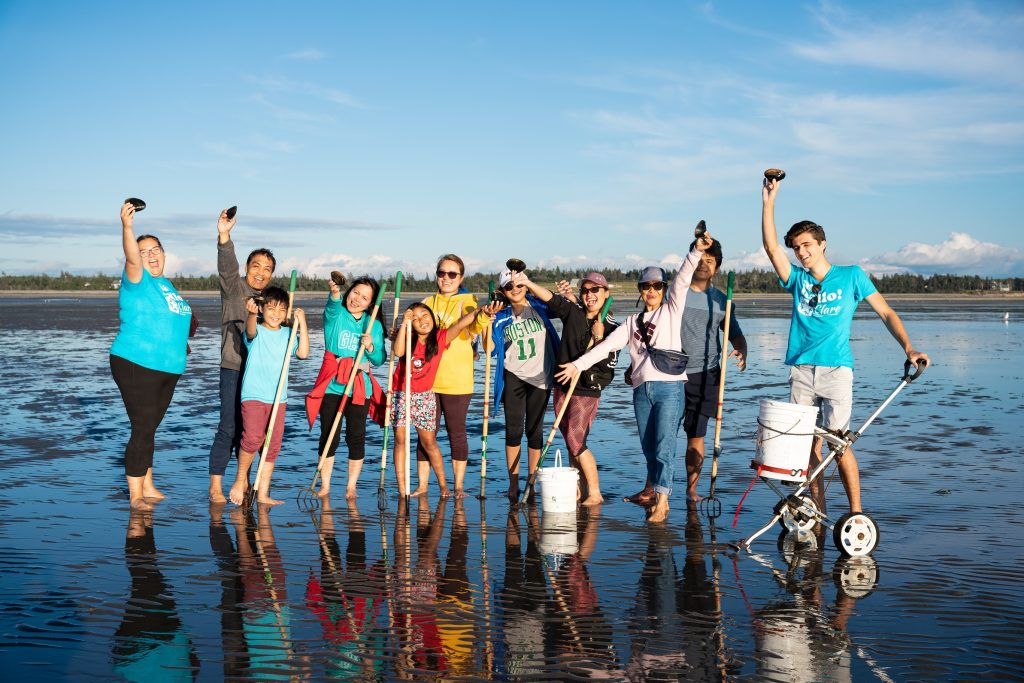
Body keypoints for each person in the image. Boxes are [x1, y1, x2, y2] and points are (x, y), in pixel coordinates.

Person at [761, 176, 930, 513]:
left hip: (837, 369)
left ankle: (856, 514)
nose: (801, 252)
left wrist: (908, 348)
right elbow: (770, 248)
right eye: (796, 247)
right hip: (801, 369)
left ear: (823, 244)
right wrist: (768, 200)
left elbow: (885, 312)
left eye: (807, 244)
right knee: (808, 446)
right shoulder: (797, 279)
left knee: (841, 443)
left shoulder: (852, 275)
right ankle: (817, 508)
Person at [557, 231, 713, 523]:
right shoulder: (631, 322)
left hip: (670, 388)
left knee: (665, 444)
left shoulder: (671, 309)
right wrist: (577, 365)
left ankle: (663, 502)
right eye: (646, 286)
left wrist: (695, 250)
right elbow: (605, 347)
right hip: (642, 391)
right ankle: (655, 491)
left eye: (657, 285)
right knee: (648, 446)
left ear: (663, 289)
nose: (651, 290)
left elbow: (682, 279)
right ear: (640, 290)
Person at [110, 201, 193, 511]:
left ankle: (148, 483)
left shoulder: (166, 285)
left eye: (155, 249)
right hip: (135, 362)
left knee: (149, 427)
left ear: (165, 253)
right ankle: (135, 495)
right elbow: (132, 257)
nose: (150, 255)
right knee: (143, 427)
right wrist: (127, 227)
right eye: (144, 252)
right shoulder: (137, 280)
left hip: (167, 367)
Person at [517, 272, 619, 505]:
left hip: (587, 389)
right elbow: (551, 300)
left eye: (596, 290)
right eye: (585, 290)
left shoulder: (613, 327)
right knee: (571, 442)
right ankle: (578, 491)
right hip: (562, 385)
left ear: (606, 294)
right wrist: (529, 283)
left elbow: (608, 365)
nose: (590, 295)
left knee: (575, 440)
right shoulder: (574, 312)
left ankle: (595, 492)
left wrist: (601, 339)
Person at [393, 301, 502, 498]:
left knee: (429, 441)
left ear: (432, 318)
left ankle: (444, 486)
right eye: (415, 318)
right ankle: (403, 490)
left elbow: (461, 324)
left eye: (424, 315)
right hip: (401, 394)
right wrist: (404, 325)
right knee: (400, 440)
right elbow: (399, 352)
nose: (421, 320)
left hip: (424, 396)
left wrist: (480, 310)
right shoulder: (408, 338)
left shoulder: (440, 338)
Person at [209, 208, 276, 503]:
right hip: (234, 367)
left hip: (260, 374)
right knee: (228, 426)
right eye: (256, 266)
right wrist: (224, 234)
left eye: (267, 269)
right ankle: (215, 488)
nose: (261, 272)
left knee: (252, 431)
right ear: (247, 267)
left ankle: (245, 480)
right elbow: (226, 266)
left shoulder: (272, 300)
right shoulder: (234, 288)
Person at [679, 238, 747, 504]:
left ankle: (691, 490)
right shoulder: (677, 291)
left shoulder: (722, 301)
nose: (705, 264)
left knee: (696, 435)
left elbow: (736, 335)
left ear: (717, 267)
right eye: (700, 258)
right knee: (660, 433)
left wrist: (742, 350)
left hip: (706, 375)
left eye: (711, 261)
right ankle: (653, 486)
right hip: (671, 373)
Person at [306, 276, 387, 499]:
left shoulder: (374, 324)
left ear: (371, 303)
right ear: (348, 292)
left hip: (361, 386)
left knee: (356, 436)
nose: (357, 299)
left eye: (364, 297)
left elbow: (380, 359)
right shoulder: (336, 315)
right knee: (329, 436)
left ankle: (351, 487)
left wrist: (370, 346)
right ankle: (325, 486)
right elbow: (333, 306)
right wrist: (334, 294)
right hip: (333, 385)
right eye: (355, 293)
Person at [227, 286, 309, 506]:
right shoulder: (256, 331)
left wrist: (302, 324)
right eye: (271, 308)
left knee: (272, 445)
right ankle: (239, 481)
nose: (276, 313)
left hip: (278, 399)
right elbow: (251, 331)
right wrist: (252, 313)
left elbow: (303, 353)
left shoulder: (287, 334)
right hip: (254, 395)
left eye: (282, 309)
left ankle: (262, 493)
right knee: (252, 438)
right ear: (262, 308)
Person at [419, 255, 493, 497]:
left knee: (456, 432)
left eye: (452, 274)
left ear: (461, 277)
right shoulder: (427, 301)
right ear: (436, 274)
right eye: (442, 273)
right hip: (427, 379)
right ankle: (422, 485)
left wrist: (485, 315)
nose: (446, 278)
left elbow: (474, 323)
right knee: (425, 433)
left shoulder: (466, 300)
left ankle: (458, 486)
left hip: (457, 379)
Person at [489, 268, 560, 502]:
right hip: (513, 376)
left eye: (519, 285)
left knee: (535, 431)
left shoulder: (539, 306)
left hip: (541, 376)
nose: (515, 290)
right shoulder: (501, 315)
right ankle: (512, 483)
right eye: (509, 287)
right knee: (514, 430)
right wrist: (487, 321)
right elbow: (489, 349)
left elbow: (559, 306)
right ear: (502, 291)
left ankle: (532, 480)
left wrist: (528, 282)